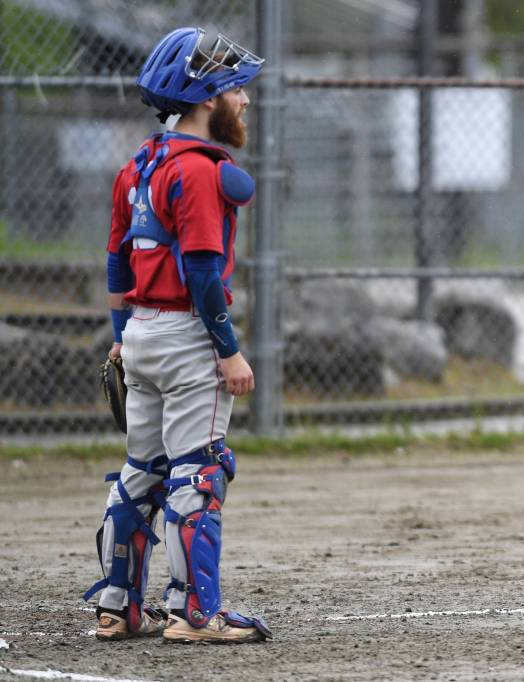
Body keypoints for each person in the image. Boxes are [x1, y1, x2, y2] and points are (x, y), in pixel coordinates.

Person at [83, 27, 271, 643]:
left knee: (142, 469)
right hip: (190, 337)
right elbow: (199, 269)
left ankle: (119, 606)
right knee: (199, 471)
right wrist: (230, 350)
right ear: (207, 97)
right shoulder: (198, 171)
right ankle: (195, 614)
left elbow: (117, 260)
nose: (244, 101)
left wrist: (120, 334)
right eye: (236, 89)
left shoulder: (139, 165)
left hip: (139, 332)